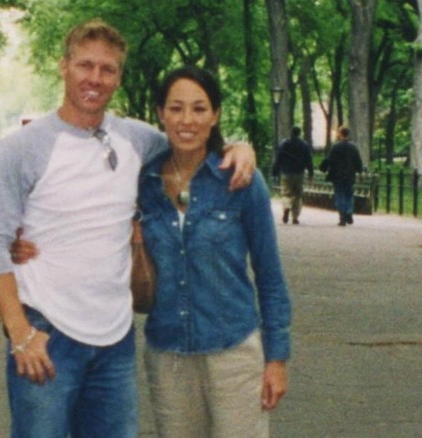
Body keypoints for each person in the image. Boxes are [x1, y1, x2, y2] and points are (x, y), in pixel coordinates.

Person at [0, 19, 255, 438]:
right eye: (85, 65)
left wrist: (238, 146)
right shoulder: (23, 148)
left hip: (115, 340)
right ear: (63, 66)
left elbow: (191, 139)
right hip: (46, 334)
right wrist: (20, 334)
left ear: (119, 78)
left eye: (107, 69)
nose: (95, 78)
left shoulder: (136, 139)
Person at [134, 65, 291, 437]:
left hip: (233, 351)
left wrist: (277, 357)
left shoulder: (240, 180)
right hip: (168, 356)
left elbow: (269, 275)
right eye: (176, 108)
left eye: (199, 108)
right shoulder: (142, 183)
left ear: (216, 114)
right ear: (160, 113)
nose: (187, 120)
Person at [320, 126, 364, 226]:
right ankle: (349, 210)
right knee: (349, 194)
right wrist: (360, 173)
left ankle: (342, 217)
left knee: (339, 194)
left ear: (340, 134)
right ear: (348, 134)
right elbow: (358, 161)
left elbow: (329, 159)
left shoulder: (335, 147)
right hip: (349, 175)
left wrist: (323, 168)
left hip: (337, 175)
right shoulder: (353, 147)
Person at [272, 126, 314, 224]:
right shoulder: (304, 145)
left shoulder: (284, 144)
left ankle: (286, 207)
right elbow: (309, 160)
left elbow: (278, 159)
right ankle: (295, 217)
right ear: (299, 133)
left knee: (287, 193)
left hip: (286, 172)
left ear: (291, 132)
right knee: (297, 195)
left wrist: (275, 171)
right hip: (299, 173)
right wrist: (310, 173)